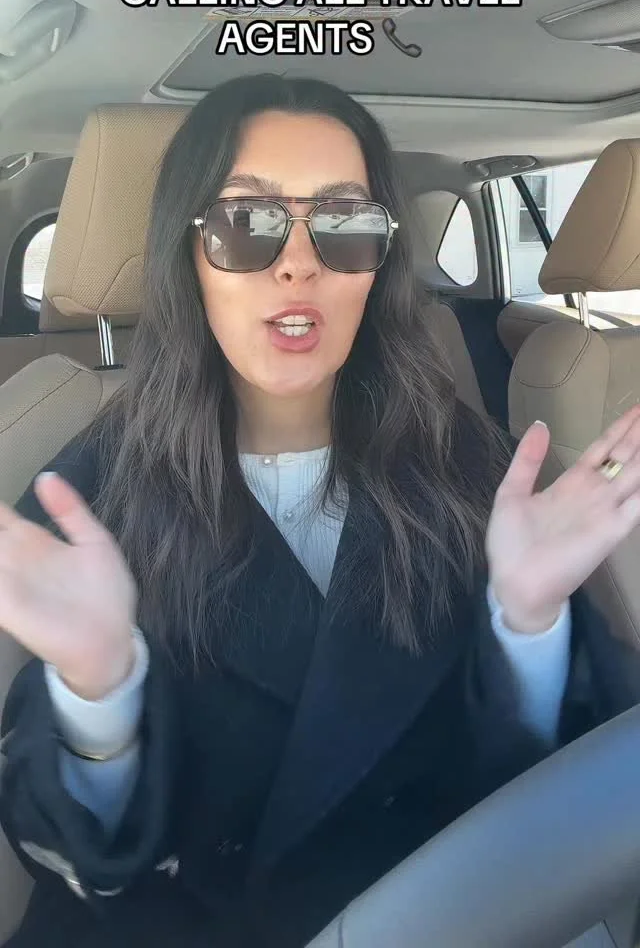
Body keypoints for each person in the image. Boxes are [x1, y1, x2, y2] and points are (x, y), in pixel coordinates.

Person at [0, 73, 639, 948]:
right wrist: (98, 691)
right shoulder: (85, 499)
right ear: (187, 254)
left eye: (344, 222)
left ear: (379, 264)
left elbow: (542, 804)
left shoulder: (475, 467)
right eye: (246, 221)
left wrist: (526, 623)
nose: (299, 262)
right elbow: (77, 868)